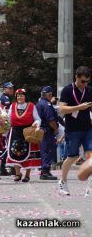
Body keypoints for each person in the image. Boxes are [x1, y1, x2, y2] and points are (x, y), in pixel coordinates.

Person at [58, 66, 92, 195]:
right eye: (82, 81)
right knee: (72, 156)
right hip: (72, 128)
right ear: (76, 77)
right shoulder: (67, 90)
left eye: (87, 82)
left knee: (90, 154)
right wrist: (79, 107)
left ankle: (90, 185)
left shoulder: (89, 90)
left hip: (88, 128)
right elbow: (62, 110)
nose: (85, 84)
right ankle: (63, 181)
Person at [6, 89, 42, 182]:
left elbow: (37, 119)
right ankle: (18, 173)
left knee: (29, 154)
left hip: (28, 133)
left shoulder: (31, 106)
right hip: (15, 132)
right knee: (15, 152)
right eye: (18, 96)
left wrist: (36, 124)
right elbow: (8, 119)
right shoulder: (12, 106)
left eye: (21, 95)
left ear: (25, 96)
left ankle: (27, 175)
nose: (20, 97)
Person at [36, 86, 59, 180]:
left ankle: (44, 170)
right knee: (48, 150)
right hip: (47, 130)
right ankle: (45, 171)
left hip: (41, 130)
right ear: (49, 94)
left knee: (44, 150)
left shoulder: (39, 103)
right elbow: (51, 120)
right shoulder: (47, 105)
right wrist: (56, 129)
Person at [0, 82, 15, 176]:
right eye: (9, 88)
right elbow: (7, 112)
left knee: (8, 146)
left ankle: (5, 167)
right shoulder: (5, 98)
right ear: (4, 89)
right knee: (8, 146)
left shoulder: (7, 98)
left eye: (12, 88)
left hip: (7, 124)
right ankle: (4, 168)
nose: (11, 90)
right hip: (7, 125)